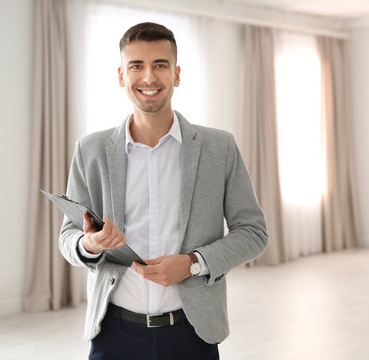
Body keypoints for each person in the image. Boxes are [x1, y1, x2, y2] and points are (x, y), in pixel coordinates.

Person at [58, 22, 268, 360]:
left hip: (192, 333)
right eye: (136, 65)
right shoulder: (90, 150)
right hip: (113, 335)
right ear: (121, 75)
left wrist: (193, 264)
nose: (149, 78)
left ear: (177, 74)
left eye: (160, 65)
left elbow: (254, 233)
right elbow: (68, 237)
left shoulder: (219, 147)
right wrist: (90, 244)